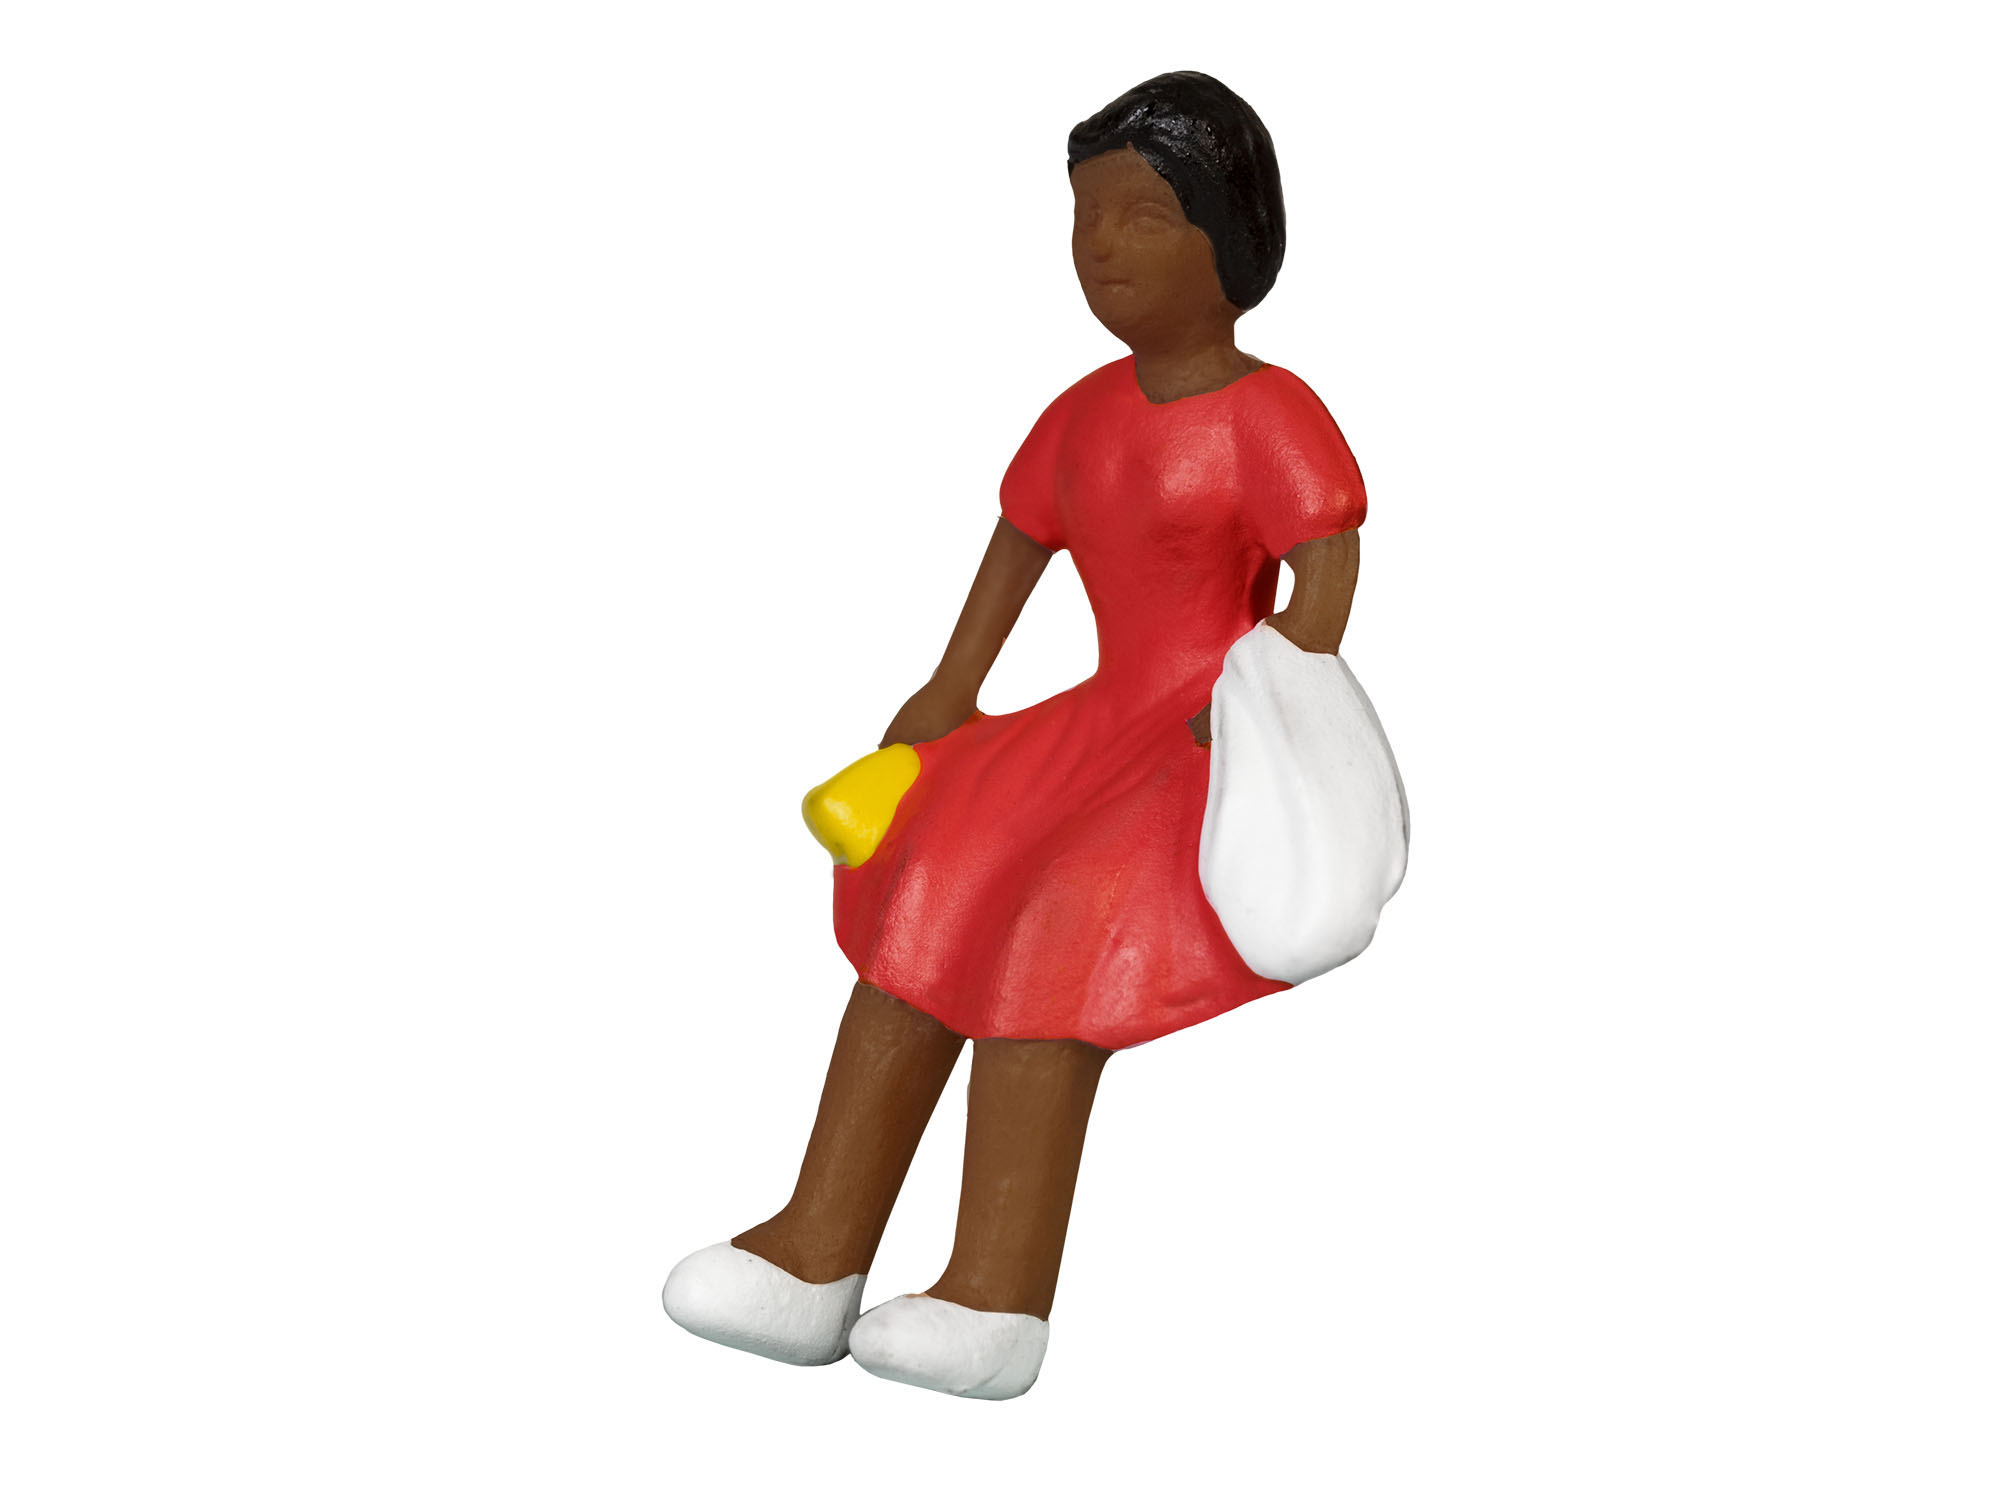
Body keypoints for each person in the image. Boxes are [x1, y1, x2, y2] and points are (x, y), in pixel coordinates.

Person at [664, 71, 1378, 1400]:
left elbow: (1323, 573)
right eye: (1086, 215)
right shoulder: (1083, 413)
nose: (1103, 245)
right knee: (930, 877)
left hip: (1194, 736)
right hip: (1088, 721)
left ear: (1231, 234)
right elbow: (1018, 546)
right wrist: (951, 688)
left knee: (1059, 923)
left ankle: (996, 1289)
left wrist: (1269, 688)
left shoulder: (1271, 415)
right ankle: (815, 1249)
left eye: (1144, 215)